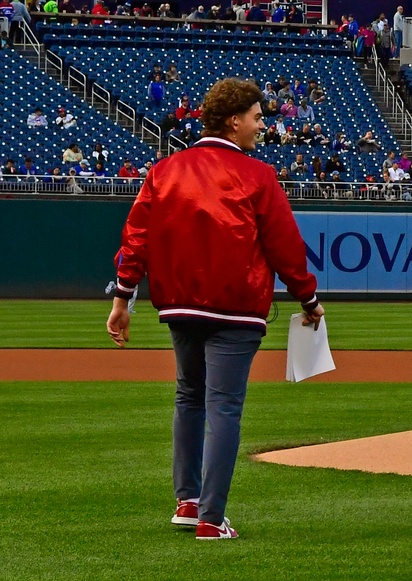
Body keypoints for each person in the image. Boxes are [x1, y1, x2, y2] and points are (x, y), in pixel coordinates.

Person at [106, 78, 323, 541]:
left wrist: (123, 298)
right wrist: (308, 299)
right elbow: (286, 248)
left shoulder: (164, 171)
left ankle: (187, 502)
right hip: (236, 305)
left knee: (189, 396)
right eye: (257, 117)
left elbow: (136, 239)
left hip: (180, 305)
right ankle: (210, 517)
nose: (261, 125)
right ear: (233, 121)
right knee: (223, 405)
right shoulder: (258, 176)